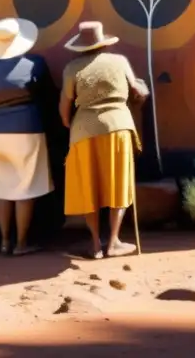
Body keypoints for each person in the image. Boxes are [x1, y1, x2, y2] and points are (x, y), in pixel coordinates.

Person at [60, 21, 149, 260]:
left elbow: (64, 109)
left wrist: (70, 124)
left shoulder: (72, 68)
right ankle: (114, 241)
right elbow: (137, 91)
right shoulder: (119, 61)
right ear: (103, 42)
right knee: (117, 184)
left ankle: (95, 245)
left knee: (89, 186)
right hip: (118, 125)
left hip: (83, 130)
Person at [0, 17, 54, 256]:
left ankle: (5, 240)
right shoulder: (34, 62)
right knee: (24, 186)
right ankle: (22, 243)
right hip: (25, 127)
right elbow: (47, 92)